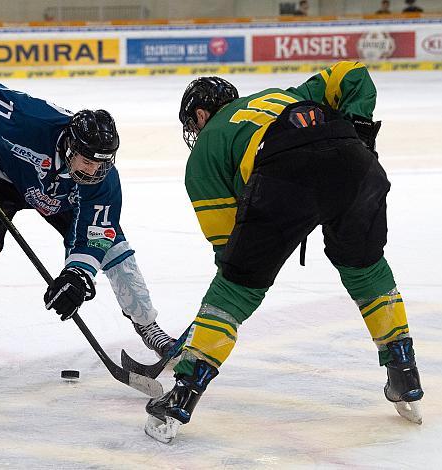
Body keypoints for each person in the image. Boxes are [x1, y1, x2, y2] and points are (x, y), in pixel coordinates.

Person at [144, 61, 424, 443]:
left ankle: (182, 396)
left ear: (200, 114)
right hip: (355, 163)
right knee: (366, 267)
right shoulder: (286, 95)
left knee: (235, 289)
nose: (194, 132)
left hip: (282, 174)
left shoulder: (206, 152)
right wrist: (358, 133)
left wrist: (227, 289)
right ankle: (404, 372)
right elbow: (353, 73)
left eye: (192, 124)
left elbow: (230, 254)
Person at [0, 72, 177, 376]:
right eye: (88, 161)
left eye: (102, 163)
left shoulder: (101, 181)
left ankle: (149, 327)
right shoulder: (33, 119)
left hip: (65, 197)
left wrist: (77, 276)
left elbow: (96, 235)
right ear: (71, 147)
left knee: (115, 251)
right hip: (0, 177)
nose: (94, 170)